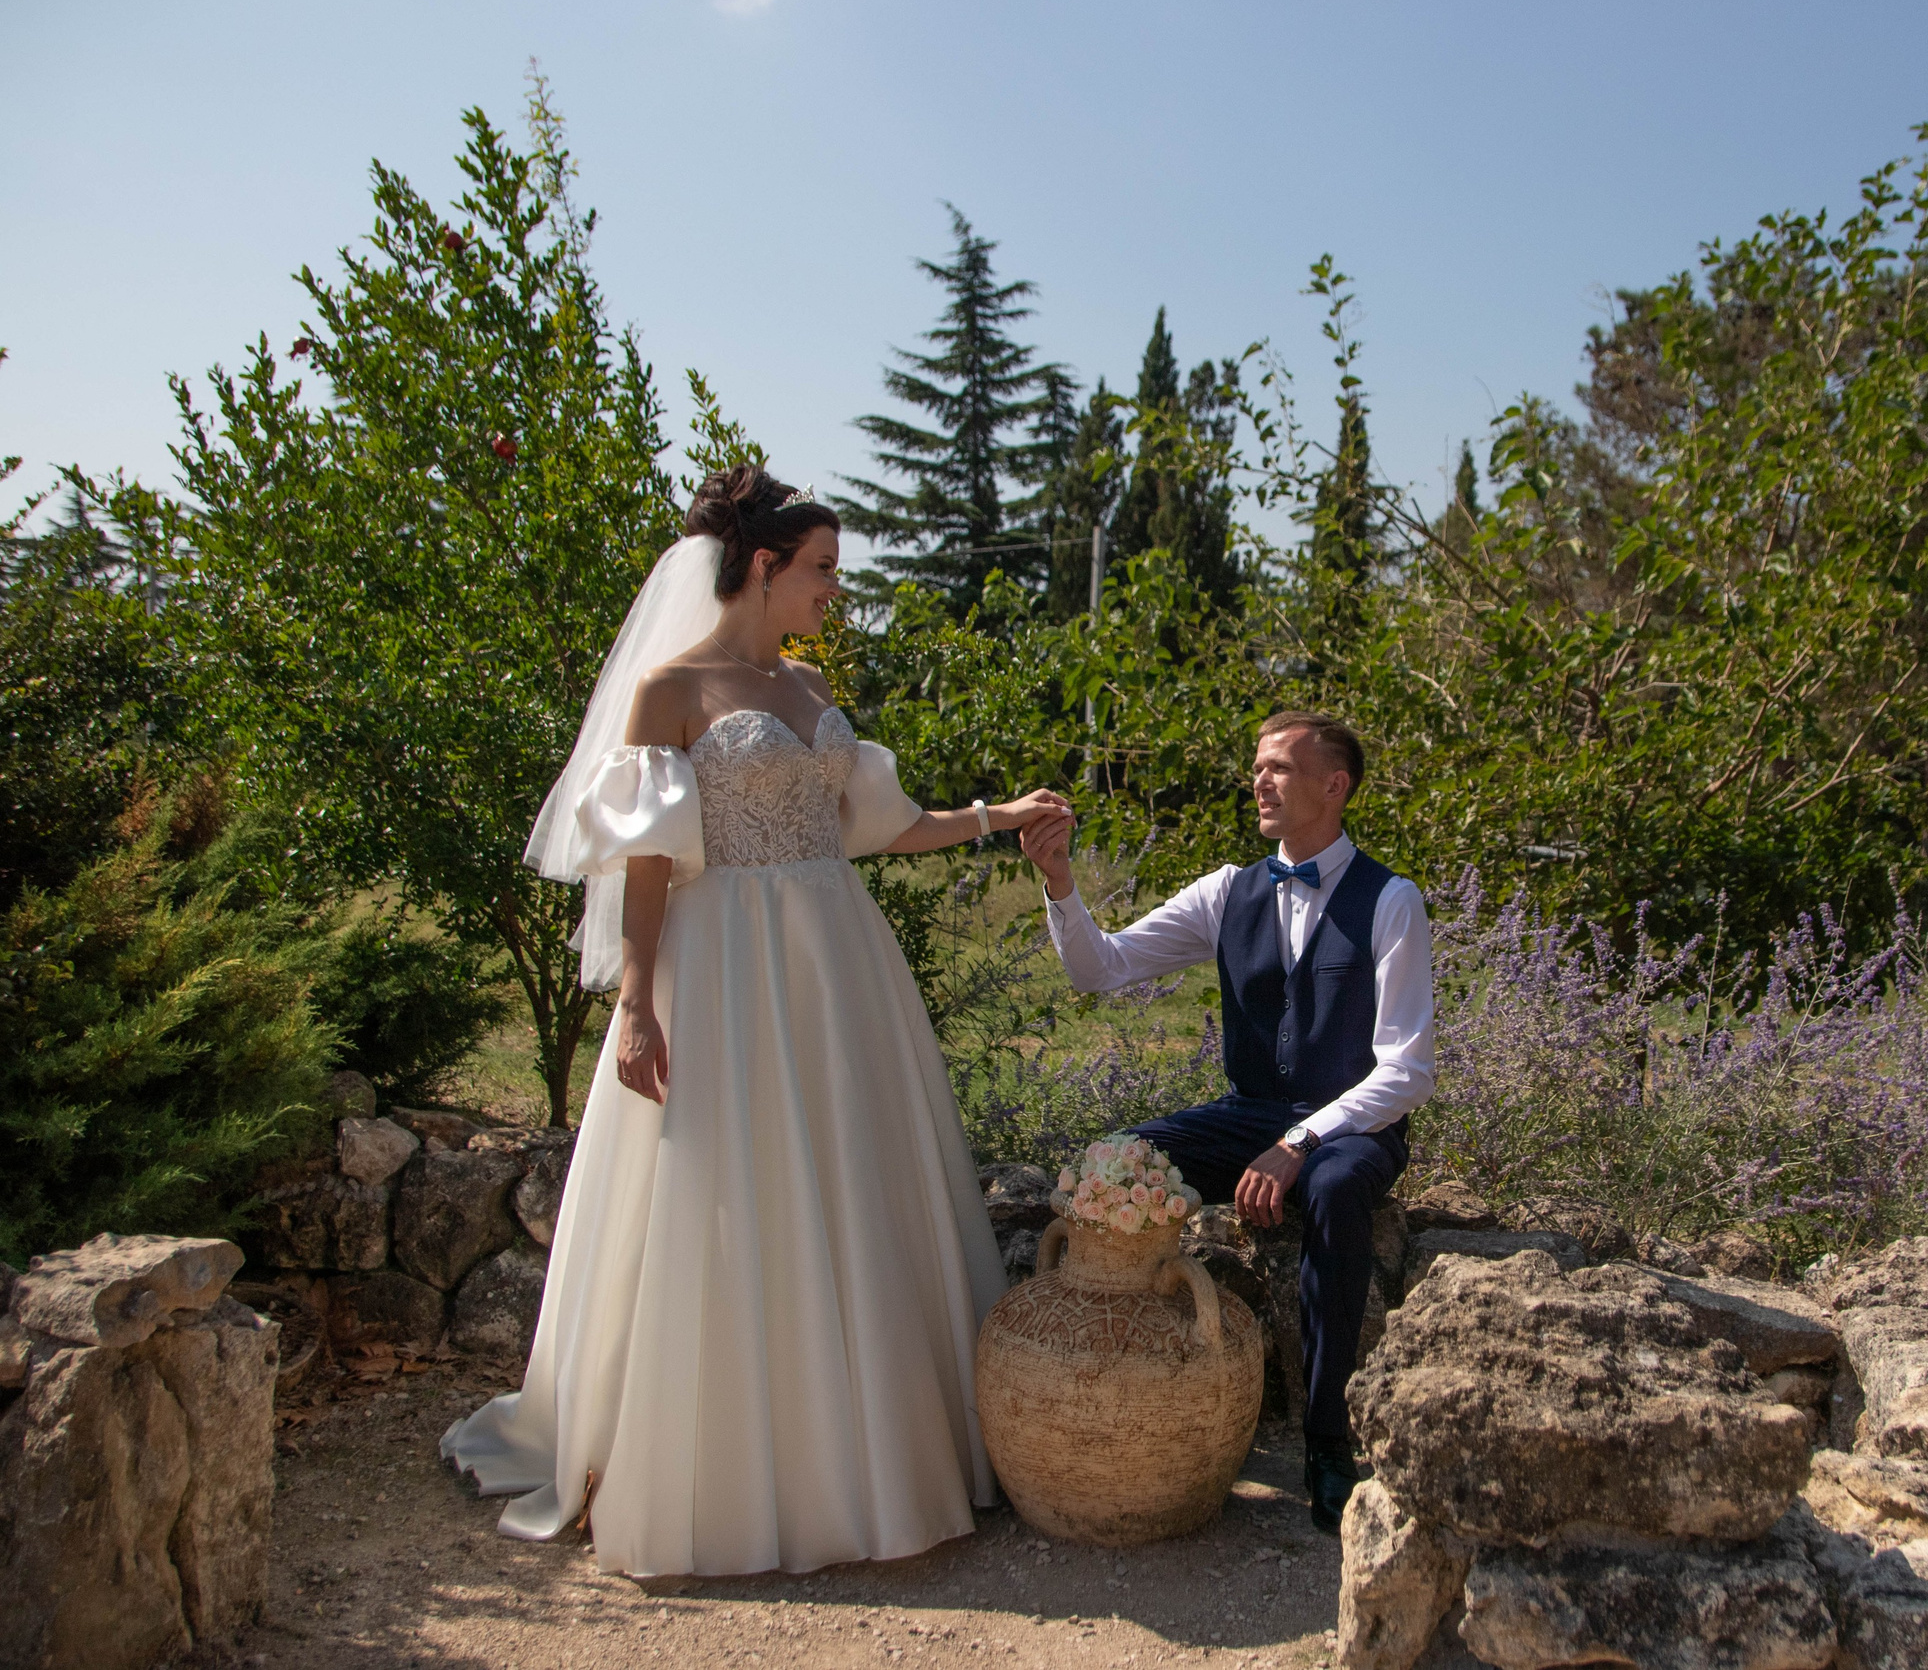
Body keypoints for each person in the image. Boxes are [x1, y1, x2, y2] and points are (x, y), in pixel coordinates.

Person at [442, 465, 1072, 1577]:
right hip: (724, 967)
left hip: (839, 966)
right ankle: (737, 1468)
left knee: (853, 1186)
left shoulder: (808, 684)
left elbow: (881, 824)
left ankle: (879, 1449)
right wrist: (636, 1005)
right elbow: (645, 867)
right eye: (822, 570)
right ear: (764, 567)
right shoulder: (671, 691)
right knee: (732, 1194)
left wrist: (997, 815)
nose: (836, 590)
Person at [1020, 711, 1434, 1535]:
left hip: (1352, 1125)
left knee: (1334, 1191)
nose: (1261, 780)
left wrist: (1299, 1141)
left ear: (1334, 785)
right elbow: (1100, 967)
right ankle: (1134, 1396)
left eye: (1281, 766)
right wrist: (1061, 881)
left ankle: (1325, 1441)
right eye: (1257, 766)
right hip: (1249, 1111)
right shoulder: (1228, 890)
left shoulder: (1392, 900)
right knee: (1119, 1160)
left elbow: (1406, 1068)